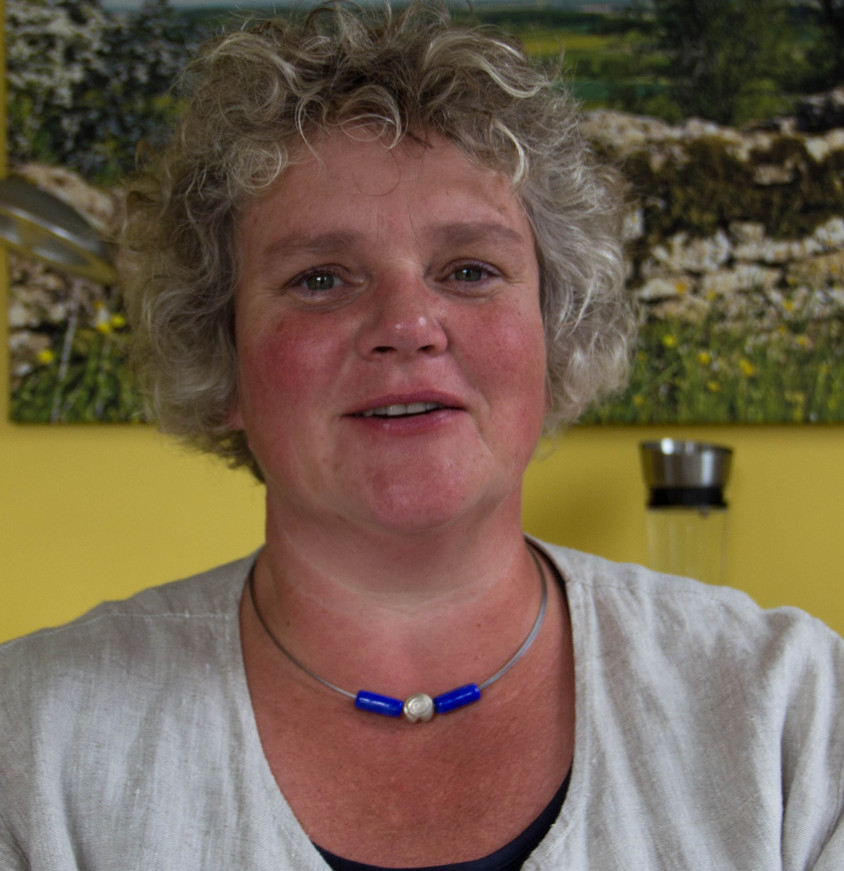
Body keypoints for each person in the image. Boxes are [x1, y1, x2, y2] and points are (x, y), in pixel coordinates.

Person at [1, 4, 842, 869]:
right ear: (224, 359)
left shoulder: (794, 718)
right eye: (321, 278)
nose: (407, 324)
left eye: (470, 270)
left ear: (555, 333)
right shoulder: (31, 744)